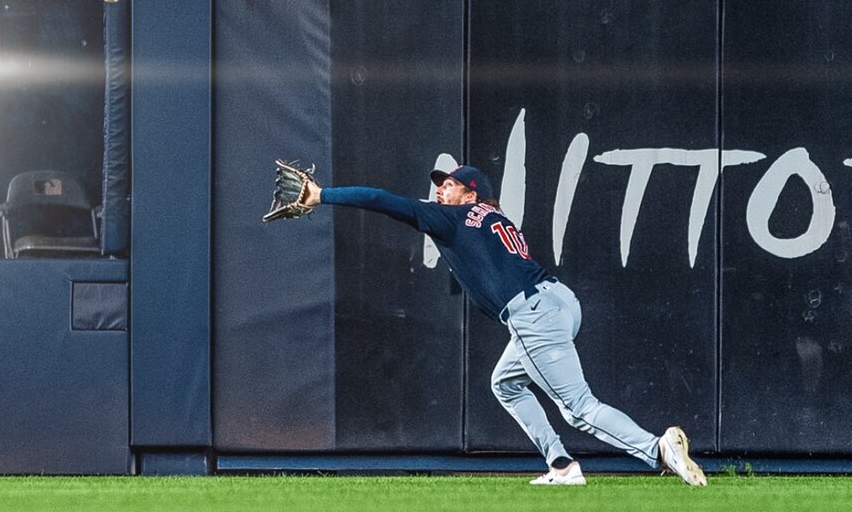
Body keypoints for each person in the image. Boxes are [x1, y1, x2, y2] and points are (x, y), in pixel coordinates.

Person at [302, 164, 707, 486]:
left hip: (531, 313)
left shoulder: (453, 218)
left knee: (578, 408)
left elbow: (381, 200)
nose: (441, 190)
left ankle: (657, 449)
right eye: (440, 185)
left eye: (450, 185)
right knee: (505, 383)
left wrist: (322, 195)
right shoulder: (495, 217)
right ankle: (562, 464)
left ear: (471, 193)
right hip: (560, 301)